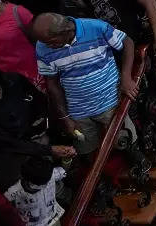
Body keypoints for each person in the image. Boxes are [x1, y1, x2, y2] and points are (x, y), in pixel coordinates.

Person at [32, 12, 137, 156]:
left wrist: (126, 77)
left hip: (110, 102)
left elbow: (127, 42)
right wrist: (65, 118)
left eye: (51, 41)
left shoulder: (95, 27)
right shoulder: (42, 46)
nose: (46, 45)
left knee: (125, 142)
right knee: (87, 151)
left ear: (66, 31)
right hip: (78, 111)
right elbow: (52, 84)